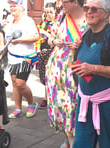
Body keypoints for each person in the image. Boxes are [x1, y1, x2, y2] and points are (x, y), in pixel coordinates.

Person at [45, 0, 88, 147]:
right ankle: (66, 139)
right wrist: (54, 41)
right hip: (56, 71)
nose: (61, 5)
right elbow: (50, 39)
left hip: (74, 72)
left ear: (75, 2)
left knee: (72, 107)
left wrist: (80, 45)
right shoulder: (62, 17)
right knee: (60, 107)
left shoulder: (89, 19)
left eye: (64, 2)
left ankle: (73, 142)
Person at [71, 0, 110, 147]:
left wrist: (94, 69)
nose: (88, 11)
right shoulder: (85, 34)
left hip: (107, 105)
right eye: (86, 8)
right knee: (81, 144)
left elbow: (91, 67)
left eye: (94, 9)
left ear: (106, 13)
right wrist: (74, 51)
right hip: (85, 104)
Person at [5, 0, 39, 119]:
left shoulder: (27, 21)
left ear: (21, 7)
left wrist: (20, 40)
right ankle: (18, 108)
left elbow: (35, 37)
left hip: (26, 57)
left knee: (20, 83)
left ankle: (32, 103)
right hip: (12, 56)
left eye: (14, 6)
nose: (12, 8)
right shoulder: (9, 21)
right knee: (14, 83)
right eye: (11, 6)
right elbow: (7, 39)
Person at [35, 2, 56, 109]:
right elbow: (38, 38)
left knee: (50, 75)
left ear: (55, 11)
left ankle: (47, 98)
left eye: (51, 12)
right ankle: (46, 97)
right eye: (47, 12)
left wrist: (46, 33)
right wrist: (38, 49)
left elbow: (55, 38)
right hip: (43, 51)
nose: (49, 14)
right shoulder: (43, 23)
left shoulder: (57, 23)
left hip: (52, 51)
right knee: (44, 75)